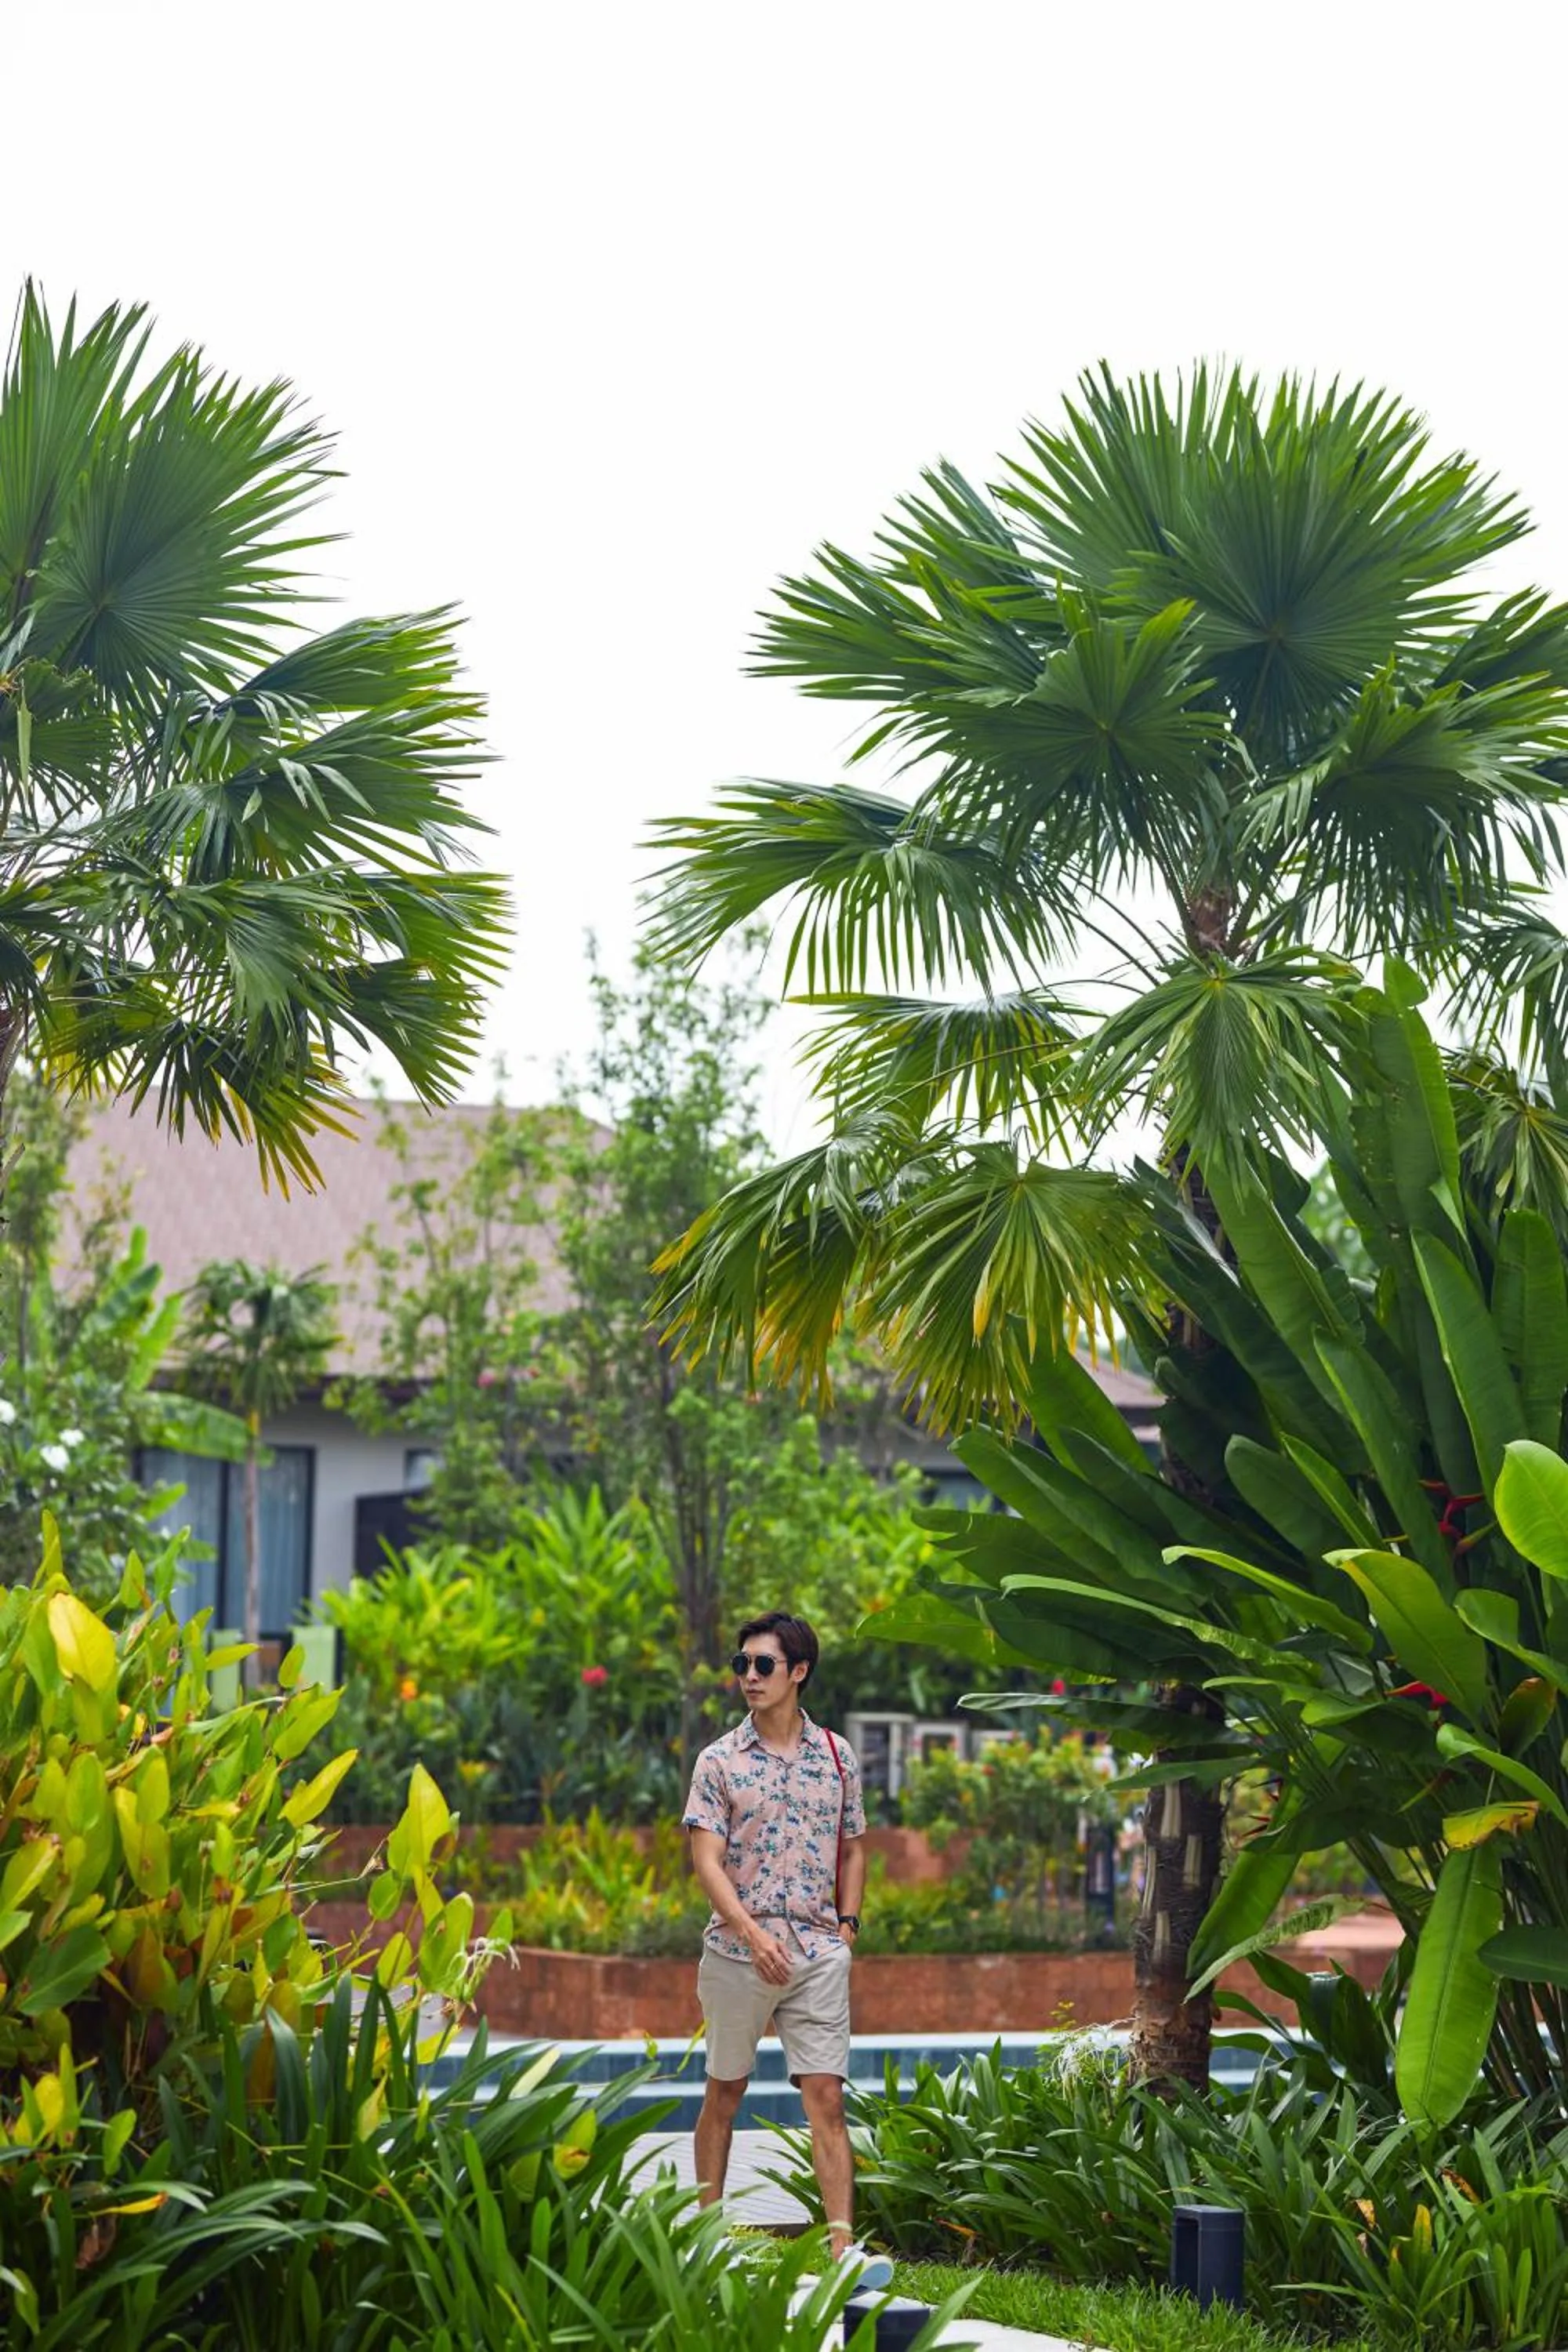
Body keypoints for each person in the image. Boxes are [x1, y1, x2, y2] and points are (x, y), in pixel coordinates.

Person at [682, 1610, 891, 2287]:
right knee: (726, 2090)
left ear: (798, 1672)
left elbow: (854, 1845)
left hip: (818, 1950)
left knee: (826, 2095)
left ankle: (841, 2252)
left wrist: (848, 1925)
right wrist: (750, 1931)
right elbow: (706, 1861)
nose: (748, 1676)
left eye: (763, 1665)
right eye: (742, 1664)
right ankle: (709, 2235)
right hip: (739, 1951)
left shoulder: (835, 1755)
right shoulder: (719, 1760)